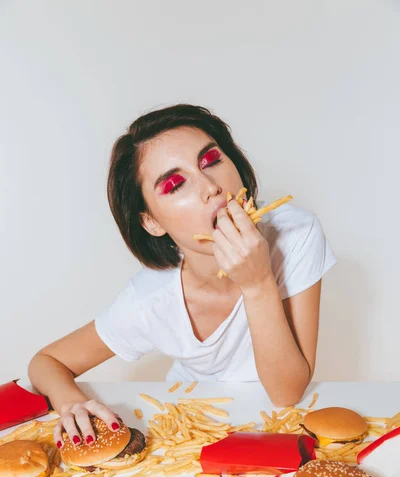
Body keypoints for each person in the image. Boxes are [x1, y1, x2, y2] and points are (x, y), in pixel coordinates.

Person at [28, 104, 336, 449]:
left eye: (212, 161)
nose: (211, 187)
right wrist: (72, 402)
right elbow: (46, 362)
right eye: (175, 185)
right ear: (152, 222)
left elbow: (287, 391)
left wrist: (258, 283)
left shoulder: (295, 233)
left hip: (279, 427)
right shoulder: (150, 299)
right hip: (188, 430)